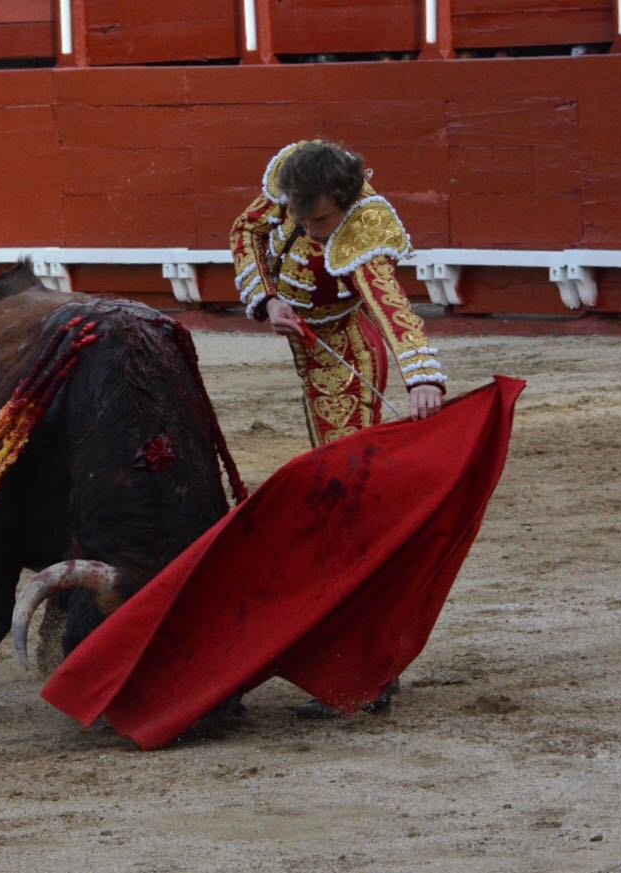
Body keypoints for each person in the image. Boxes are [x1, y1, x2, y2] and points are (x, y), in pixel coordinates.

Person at [229, 139, 447, 717]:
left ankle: (369, 670)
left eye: (321, 219)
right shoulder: (292, 189)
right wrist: (269, 300)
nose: (310, 229)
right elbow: (246, 230)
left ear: (345, 202)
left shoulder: (362, 228)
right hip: (313, 350)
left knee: (349, 516)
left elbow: (389, 307)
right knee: (339, 509)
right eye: (302, 217)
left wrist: (422, 378)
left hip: (345, 364)